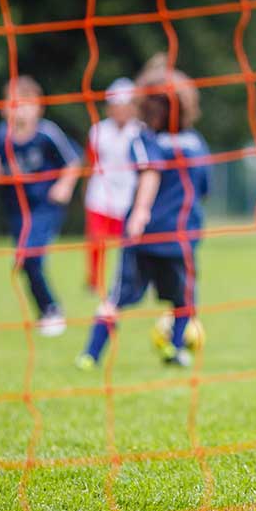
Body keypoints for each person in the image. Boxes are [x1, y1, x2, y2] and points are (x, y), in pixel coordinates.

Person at [75, 64, 210, 369]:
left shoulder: (144, 140)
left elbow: (150, 173)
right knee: (184, 299)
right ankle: (176, 349)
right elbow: (202, 189)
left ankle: (90, 355)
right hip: (180, 235)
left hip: (143, 233)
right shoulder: (197, 144)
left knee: (116, 298)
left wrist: (140, 212)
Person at [0, 76, 81, 335]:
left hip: (45, 207)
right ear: (4, 107)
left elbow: (73, 161)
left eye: (25, 104)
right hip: (18, 209)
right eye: (13, 103)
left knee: (30, 256)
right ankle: (46, 311)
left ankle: (52, 310)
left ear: (38, 107)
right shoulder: (0, 136)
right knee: (24, 262)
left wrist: (64, 186)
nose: (19, 109)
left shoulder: (47, 134)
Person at [84, 77, 142, 293]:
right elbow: (91, 162)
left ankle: (128, 279)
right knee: (96, 239)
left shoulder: (140, 131)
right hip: (101, 191)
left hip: (128, 193)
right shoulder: (98, 131)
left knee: (129, 241)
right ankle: (94, 281)